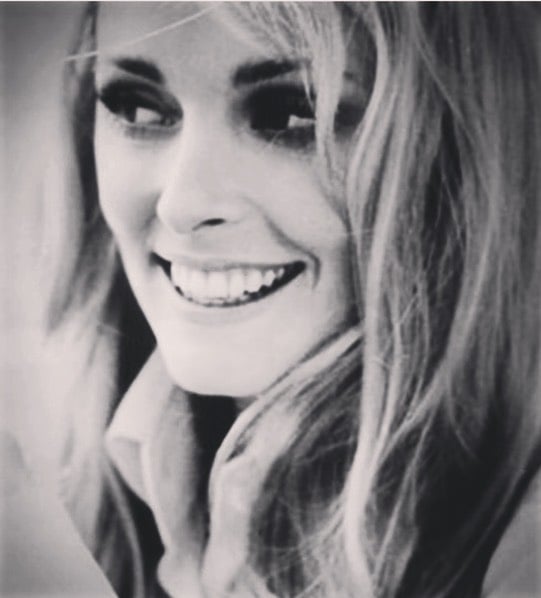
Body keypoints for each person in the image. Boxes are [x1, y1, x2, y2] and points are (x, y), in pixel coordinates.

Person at [43, 2, 541, 597]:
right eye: (137, 108)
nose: (182, 204)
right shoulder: (104, 481)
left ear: (465, 147)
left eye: (292, 113)